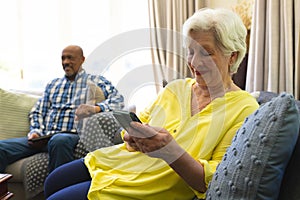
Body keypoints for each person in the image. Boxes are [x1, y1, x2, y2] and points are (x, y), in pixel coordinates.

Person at [44, 8, 259, 200]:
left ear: (233, 56)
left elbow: (214, 180)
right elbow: (136, 128)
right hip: (122, 163)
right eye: (191, 51)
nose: (193, 62)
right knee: (52, 181)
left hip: (149, 187)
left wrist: (169, 150)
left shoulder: (245, 108)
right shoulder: (175, 89)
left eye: (205, 52)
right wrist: (131, 137)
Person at [0, 45, 124, 173]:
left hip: (71, 136)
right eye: (63, 58)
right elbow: (38, 111)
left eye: (70, 58)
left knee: (58, 140)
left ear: (82, 59)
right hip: (44, 138)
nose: (65, 62)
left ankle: (57, 190)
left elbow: (118, 100)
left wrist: (96, 108)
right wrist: (36, 132)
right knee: (1, 147)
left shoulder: (96, 81)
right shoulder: (53, 84)